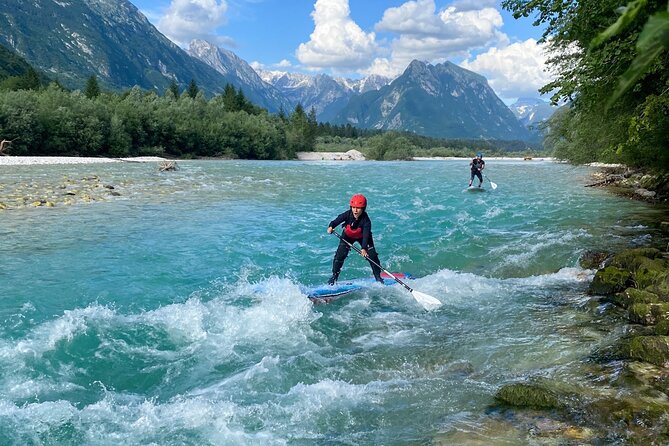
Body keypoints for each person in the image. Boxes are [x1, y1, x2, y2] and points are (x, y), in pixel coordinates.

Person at [327, 194, 384, 285]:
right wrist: (331, 226)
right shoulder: (347, 214)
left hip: (363, 238)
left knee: (372, 256)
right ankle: (334, 277)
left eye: (358, 208)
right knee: (339, 255)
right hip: (347, 236)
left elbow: (366, 235)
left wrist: (364, 248)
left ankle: (378, 277)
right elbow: (337, 220)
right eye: (353, 207)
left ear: (363, 208)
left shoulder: (366, 221)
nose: (355, 210)